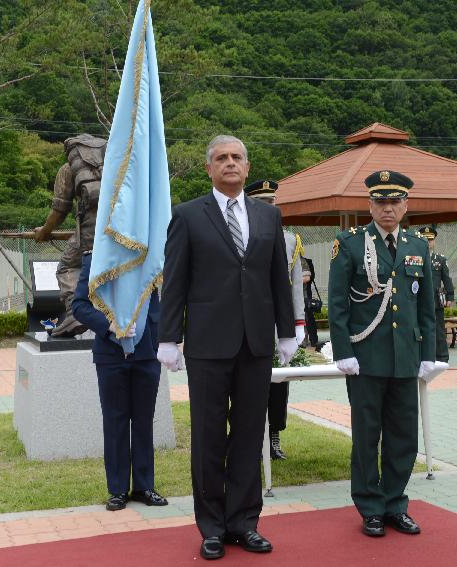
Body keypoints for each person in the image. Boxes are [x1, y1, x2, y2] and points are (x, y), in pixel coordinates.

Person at [156, 135, 296, 560]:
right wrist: (167, 337)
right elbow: (175, 280)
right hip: (207, 346)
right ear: (209, 169)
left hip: (255, 343)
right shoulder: (186, 216)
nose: (230, 163)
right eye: (222, 158)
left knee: (250, 434)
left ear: (247, 167)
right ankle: (212, 527)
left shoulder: (269, 217)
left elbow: (277, 280)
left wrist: (286, 332)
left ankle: (244, 523)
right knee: (210, 436)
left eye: (237, 157)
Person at [328, 170, 437, 538]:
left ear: (406, 206)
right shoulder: (351, 243)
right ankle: (370, 508)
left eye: (394, 202)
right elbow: (338, 303)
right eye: (380, 202)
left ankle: (395, 503)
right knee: (366, 436)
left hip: (406, 357)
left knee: (404, 436)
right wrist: (343, 351)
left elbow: (427, 306)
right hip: (366, 358)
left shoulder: (418, 245)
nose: (387, 209)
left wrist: (430, 353)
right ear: (369, 205)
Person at [71, 251, 168, 512]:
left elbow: (163, 301)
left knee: (144, 420)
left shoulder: (152, 257)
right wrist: (109, 325)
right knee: (115, 421)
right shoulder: (96, 259)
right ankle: (117, 490)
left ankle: (144, 486)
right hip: (110, 353)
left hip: (147, 350)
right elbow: (79, 305)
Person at [243, 179, 306, 461]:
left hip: (277, 324)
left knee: (279, 384)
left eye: (272, 202)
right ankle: (250, 438)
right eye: (263, 202)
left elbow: (294, 286)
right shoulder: (240, 233)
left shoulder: (289, 239)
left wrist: (298, 323)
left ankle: (275, 435)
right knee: (247, 385)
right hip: (247, 322)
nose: (270, 207)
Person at [34, 134, 107, 337]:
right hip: (122, 232)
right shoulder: (114, 166)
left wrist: (44, 232)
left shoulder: (69, 170)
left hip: (89, 235)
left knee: (68, 266)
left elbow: (59, 209)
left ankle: (74, 313)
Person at [419, 225, 454, 362]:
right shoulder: (414, 258)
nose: (428, 242)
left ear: (434, 241)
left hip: (435, 300)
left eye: (430, 239)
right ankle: (422, 356)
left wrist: (450, 296)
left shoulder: (440, 259)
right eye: (424, 239)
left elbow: (447, 279)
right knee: (419, 329)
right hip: (418, 300)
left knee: (438, 329)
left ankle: (442, 357)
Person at [301, 257, 320, 347]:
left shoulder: (302, 261)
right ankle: (304, 340)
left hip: (304, 295)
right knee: (304, 318)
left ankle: (313, 340)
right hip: (297, 295)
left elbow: (307, 278)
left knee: (308, 318)